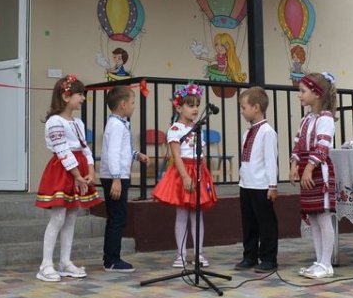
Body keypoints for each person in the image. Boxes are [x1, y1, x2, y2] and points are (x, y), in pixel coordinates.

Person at [34, 74, 101, 282]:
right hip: (64, 170)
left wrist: (91, 170)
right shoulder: (55, 121)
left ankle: (65, 262)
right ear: (66, 96)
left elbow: (85, 147)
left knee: (71, 216)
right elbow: (62, 149)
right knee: (58, 217)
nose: (83, 98)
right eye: (80, 94)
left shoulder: (78, 122)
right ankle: (46, 264)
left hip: (78, 169)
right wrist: (77, 175)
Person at [152, 83, 218, 268]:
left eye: (197, 105)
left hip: (198, 170)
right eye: (190, 105)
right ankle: (180, 255)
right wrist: (185, 177)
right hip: (183, 172)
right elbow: (176, 155)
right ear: (179, 108)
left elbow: (200, 153)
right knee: (182, 214)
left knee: (197, 215)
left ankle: (198, 254)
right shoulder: (176, 129)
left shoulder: (197, 127)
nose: (195, 109)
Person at [290, 72, 337, 279]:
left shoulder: (326, 119)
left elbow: (322, 146)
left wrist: (309, 168)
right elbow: (298, 143)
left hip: (319, 173)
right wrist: (294, 164)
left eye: (303, 91)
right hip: (306, 172)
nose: (299, 95)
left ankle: (327, 264)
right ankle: (319, 261)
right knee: (313, 217)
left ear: (316, 93)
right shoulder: (306, 119)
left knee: (323, 217)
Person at [98, 85, 148, 272]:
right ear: (123, 105)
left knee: (117, 217)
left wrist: (137, 155)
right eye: (133, 103)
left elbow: (122, 150)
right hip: (115, 177)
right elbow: (113, 153)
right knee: (118, 218)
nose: (134, 106)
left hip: (117, 175)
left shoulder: (119, 124)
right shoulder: (116, 125)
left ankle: (111, 258)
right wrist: (117, 179)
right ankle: (112, 260)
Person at [234, 87, 279, 273]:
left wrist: (272, 185)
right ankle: (249, 256)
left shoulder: (267, 132)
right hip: (246, 184)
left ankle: (268, 258)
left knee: (266, 223)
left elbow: (270, 160)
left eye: (243, 107)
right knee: (249, 223)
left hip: (261, 186)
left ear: (256, 107)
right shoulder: (247, 133)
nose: (242, 111)